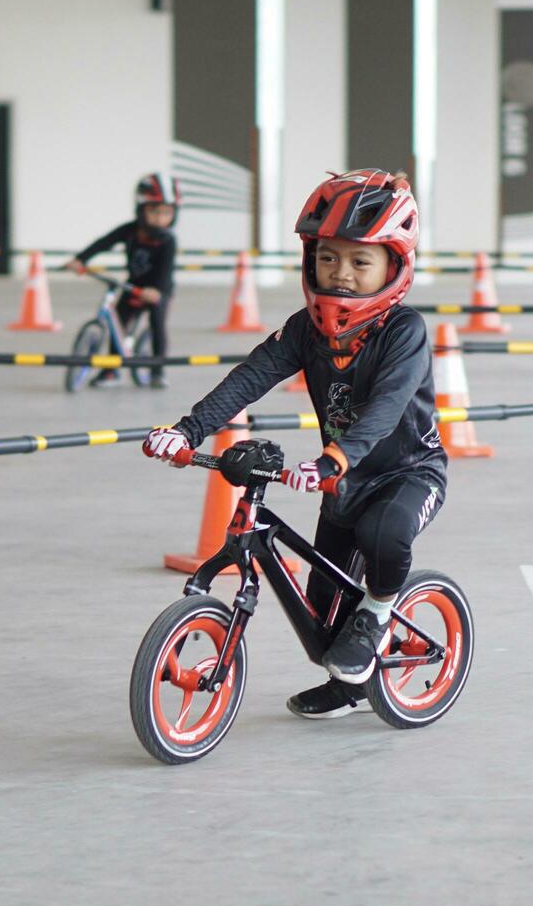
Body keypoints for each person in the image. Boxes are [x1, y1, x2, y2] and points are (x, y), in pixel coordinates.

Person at [143, 169, 447, 720]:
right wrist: (187, 430)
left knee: (384, 535)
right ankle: (350, 686)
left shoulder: (406, 331)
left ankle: (380, 612)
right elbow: (249, 378)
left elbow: (386, 407)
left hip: (407, 472)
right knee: (324, 604)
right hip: (343, 481)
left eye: (361, 261)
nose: (342, 274)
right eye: (328, 258)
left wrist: (336, 455)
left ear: (394, 265)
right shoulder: (306, 329)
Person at [66, 172, 180, 389]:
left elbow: (166, 270)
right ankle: (111, 372)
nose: (160, 217)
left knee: (157, 324)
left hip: (158, 289)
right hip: (132, 286)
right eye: (154, 211)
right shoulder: (130, 230)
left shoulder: (168, 241)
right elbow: (103, 243)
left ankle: (158, 371)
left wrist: (156, 291)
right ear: (140, 210)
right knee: (118, 322)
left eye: (167, 212)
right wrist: (80, 259)